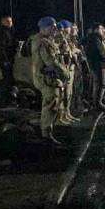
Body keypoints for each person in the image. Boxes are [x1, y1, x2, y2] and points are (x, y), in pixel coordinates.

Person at [31, 17, 69, 145]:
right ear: (44, 28)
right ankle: (46, 135)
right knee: (50, 105)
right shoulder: (43, 43)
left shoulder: (44, 40)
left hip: (47, 77)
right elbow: (51, 62)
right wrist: (64, 72)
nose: (55, 30)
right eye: (52, 27)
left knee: (52, 104)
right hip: (47, 78)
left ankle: (48, 133)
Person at [55, 21, 80, 124]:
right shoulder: (59, 38)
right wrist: (73, 52)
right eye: (70, 27)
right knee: (63, 94)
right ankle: (61, 116)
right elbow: (62, 53)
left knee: (68, 93)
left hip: (69, 68)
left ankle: (67, 113)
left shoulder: (67, 38)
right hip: (64, 69)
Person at [84, 23, 105, 111]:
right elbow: (100, 52)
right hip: (98, 65)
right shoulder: (95, 39)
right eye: (101, 28)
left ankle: (96, 103)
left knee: (98, 84)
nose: (103, 30)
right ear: (96, 29)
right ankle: (98, 104)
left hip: (97, 64)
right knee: (101, 84)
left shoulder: (95, 38)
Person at [0, 15, 17, 92]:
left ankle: (9, 92)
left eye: (11, 21)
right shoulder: (2, 32)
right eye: (8, 21)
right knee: (8, 77)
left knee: (9, 77)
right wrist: (6, 60)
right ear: (3, 22)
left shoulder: (9, 31)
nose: (10, 23)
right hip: (4, 60)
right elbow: (1, 48)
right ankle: (7, 93)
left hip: (8, 59)